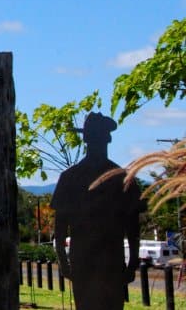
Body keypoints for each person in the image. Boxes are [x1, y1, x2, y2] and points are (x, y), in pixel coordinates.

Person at [51, 112, 144, 310]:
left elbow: (133, 226)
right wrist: (63, 260)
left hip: (102, 260)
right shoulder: (121, 177)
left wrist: (133, 261)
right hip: (96, 260)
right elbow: (59, 227)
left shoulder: (72, 177)